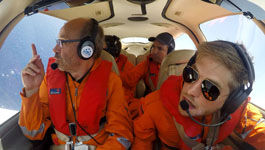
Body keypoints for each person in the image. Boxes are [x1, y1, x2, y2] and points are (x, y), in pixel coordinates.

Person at [19, 18, 133, 150]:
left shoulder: (111, 82)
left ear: (86, 49)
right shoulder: (50, 79)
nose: (54, 49)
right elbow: (33, 133)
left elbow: (122, 136)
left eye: (62, 42)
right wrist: (31, 90)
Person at [132, 41, 265, 150]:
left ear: (232, 101)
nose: (191, 91)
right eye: (191, 74)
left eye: (210, 88)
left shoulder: (241, 111)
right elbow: (141, 142)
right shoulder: (154, 104)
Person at [104, 35, 136, 106]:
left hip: (122, 103)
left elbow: (129, 87)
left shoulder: (127, 66)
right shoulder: (92, 63)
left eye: (102, 50)